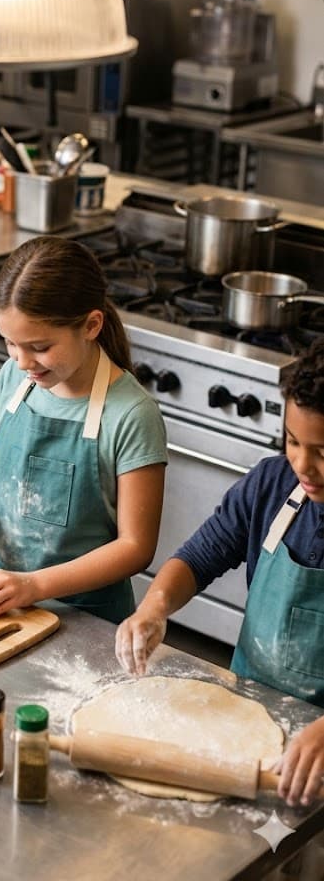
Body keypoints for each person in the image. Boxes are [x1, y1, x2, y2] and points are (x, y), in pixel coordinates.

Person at [116, 336, 324, 807]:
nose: (304, 465)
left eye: (323, 452)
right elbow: (200, 556)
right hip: (252, 718)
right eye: (292, 441)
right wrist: (155, 606)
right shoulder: (274, 485)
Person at [0, 235, 167, 624]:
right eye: (10, 343)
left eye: (39, 346)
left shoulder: (131, 414)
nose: (23, 360)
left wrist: (34, 586)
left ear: (92, 325)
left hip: (85, 619)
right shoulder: (15, 377)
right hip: (0, 599)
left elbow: (136, 546)